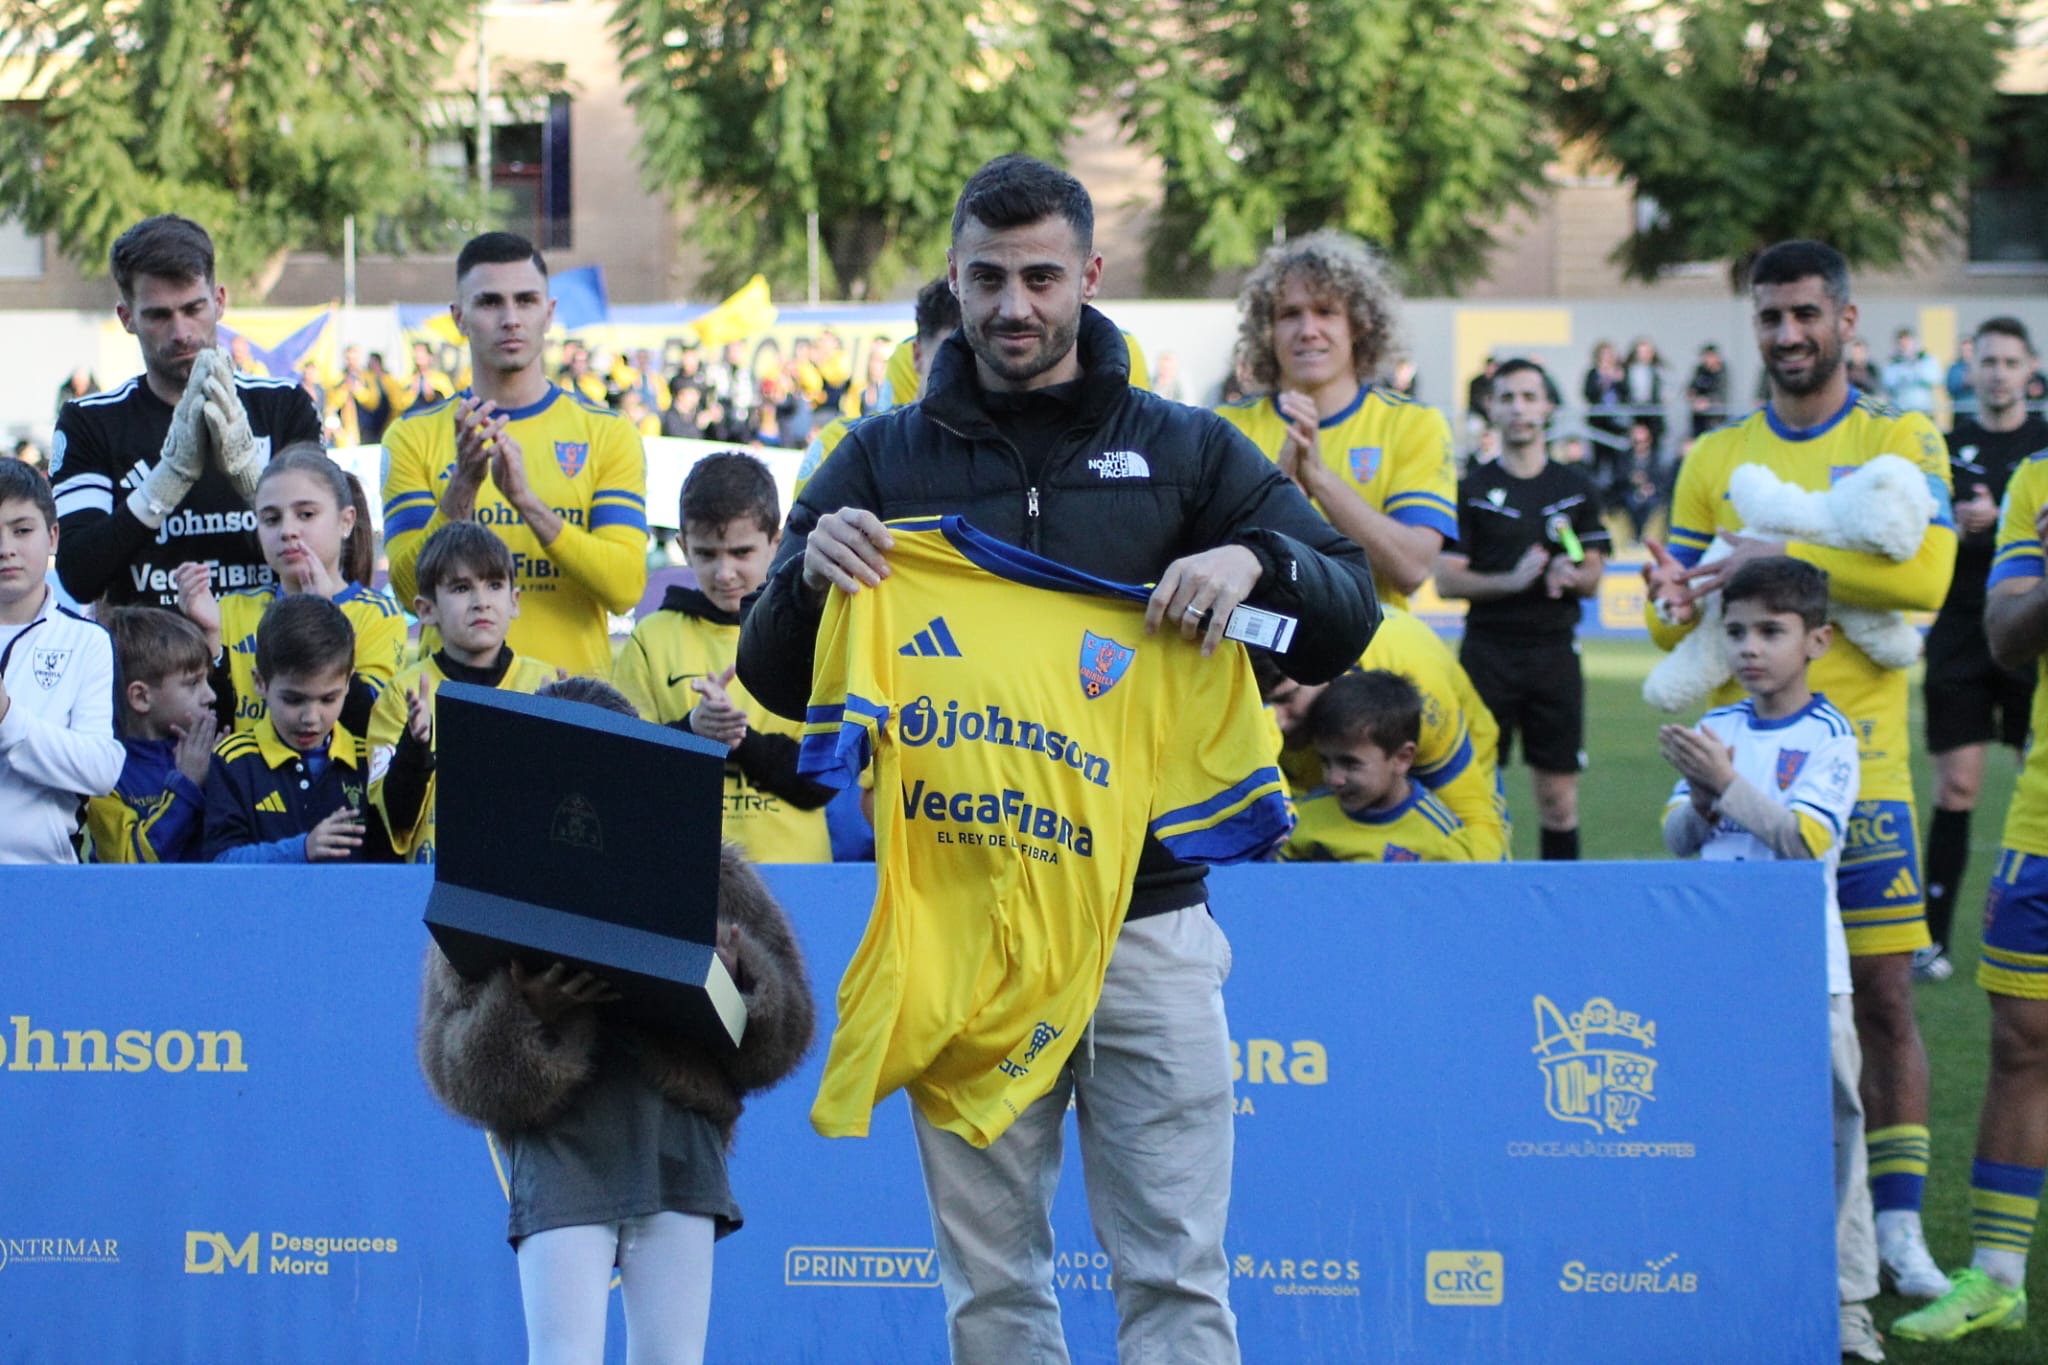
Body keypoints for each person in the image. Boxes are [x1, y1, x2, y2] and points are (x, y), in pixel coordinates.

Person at [737, 153, 1376, 1364]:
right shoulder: (880, 459)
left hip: (1147, 921)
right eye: (986, 278)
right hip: (963, 931)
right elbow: (771, 676)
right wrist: (810, 580)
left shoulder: (1186, 450)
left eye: (1039, 277)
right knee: (990, 1293)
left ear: (1089, 273)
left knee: (1176, 1278)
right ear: (953, 278)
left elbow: (1346, 614)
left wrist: (1253, 561)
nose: (1012, 306)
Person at [1643, 239, 1956, 1302]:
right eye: (1770, 317)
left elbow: (1926, 577)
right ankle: (1747, 1222)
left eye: (1805, 314)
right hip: (1740, 778)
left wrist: (1771, 563)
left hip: (1864, 773)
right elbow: (1678, 617)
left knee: (1883, 1001)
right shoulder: (1715, 454)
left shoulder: (1899, 436)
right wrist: (1671, 600)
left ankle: (1896, 1233)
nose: (1787, 334)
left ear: (1845, 320)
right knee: (1741, 1012)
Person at [415, 721, 815, 1365]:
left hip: (677, 1142)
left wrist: (735, 979)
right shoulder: (492, 874)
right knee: (563, 1356)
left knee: (672, 1358)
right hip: (561, 1145)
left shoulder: (708, 867)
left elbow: (787, 1033)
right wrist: (523, 1011)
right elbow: (450, 1063)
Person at [1656, 556, 1879, 1361]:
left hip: (1808, 971)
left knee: (1833, 1130)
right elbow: (1678, 838)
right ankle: (1727, 1282)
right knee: (1722, 1127)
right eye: (1737, 631)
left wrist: (1725, 784)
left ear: (1817, 640)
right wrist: (1701, 796)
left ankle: (1848, 1301)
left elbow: (1805, 840)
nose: (1750, 647)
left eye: (1771, 631)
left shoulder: (1830, 736)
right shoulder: (1722, 725)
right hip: (1720, 970)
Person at [1891, 414, 2048, 1343]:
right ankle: (1996, 1276)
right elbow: (2006, 636)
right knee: (2022, 1041)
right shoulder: (2037, 477)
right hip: (2043, 817)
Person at [381, 232, 650, 679]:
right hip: (461, 705)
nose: (510, 319)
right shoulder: (412, 437)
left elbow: (625, 589)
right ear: (459, 318)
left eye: (526, 301)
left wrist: (527, 503)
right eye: (490, 302)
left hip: (570, 702)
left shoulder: (608, 433)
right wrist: (462, 488)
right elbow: (412, 594)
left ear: (549, 313)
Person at [51, 214, 324, 610]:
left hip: (270, 645)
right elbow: (79, 576)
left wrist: (253, 480)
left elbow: (336, 551)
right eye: (159, 315)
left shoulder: (284, 405)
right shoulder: (90, 421)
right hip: (151, 648)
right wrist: (166, 481)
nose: (181, 332)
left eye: (193, 308)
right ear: (127, 318)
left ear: (220, 301)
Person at [1216, 229, 1457, 612]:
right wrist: (1280, 496)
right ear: (1267, 330)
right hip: (1251, 646)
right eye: (1290, 314)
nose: (1308, 331)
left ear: (1359, 324)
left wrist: (1320, 480)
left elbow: (1412, 569)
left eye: (1326, 312)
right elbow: (1204, 557)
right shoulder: (1225, 428)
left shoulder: (1413, 423)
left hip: (1374, 647)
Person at [613, 452, 834, 863]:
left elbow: (821, 783)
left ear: (776, 542)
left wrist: (741, 741)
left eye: (741, 552)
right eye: (707, 554)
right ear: (683, 547)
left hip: (796, 873)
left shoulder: (813, 633)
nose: (724, 572)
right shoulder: (651, 638)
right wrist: (693, 730)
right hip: (681, 866)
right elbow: (625, 772)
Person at [1435, 358, 1609, 860]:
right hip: (1487, 652)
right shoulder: (1471, 489)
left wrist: (1570, 575)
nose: (1519, 408)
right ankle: (1480, 894)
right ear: (1490, 407)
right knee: (1473, 794)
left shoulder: (1575, 487)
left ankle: (1563, 897)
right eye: (1507, 398)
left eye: (1530, 397)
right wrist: (1511, 581)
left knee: (1558, 799)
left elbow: (1592, 575)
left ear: (1548, 407)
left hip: (1554, 653)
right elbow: (1446, 580)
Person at [1921, 317, 2048, 982]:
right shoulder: (1946, 449)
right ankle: (1933, 941)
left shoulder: (2043, 452)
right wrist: (1954, 523)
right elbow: (1916, 532)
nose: (1999, 373)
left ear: (2031, 371)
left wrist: (2001, 520)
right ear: (1969, 372)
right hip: (1962, 628)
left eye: (2010, 361)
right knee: (1958, 784)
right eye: (1988, 362)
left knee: (2037, 770)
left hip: (2035, 623)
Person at [177, 445, 404, 738]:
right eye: (271, 519)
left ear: (346, 521)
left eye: (306, 514)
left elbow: (369, 726)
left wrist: (322, 620)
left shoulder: (377, 615)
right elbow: (214, 726)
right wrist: (209, 637)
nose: (287, 530)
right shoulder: (230, 610)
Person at [368, 521, 557, 865]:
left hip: (525, 880)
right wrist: (415, 748)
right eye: (460, 588)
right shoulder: (402, 695)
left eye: (494, 585)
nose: (481, 602)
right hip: (431, 883)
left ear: (514, 601)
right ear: (426, 610)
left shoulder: (547, 685)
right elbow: (387, 826)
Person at [1260, 607, 1507, 862]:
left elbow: (1476, 824)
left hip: (1440, 739)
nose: (1277, 722)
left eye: (1287, 698)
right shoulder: (1263, 699)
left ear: (1321, 669)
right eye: (1259, 704)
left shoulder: (1423, 694)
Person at [201, 593, 387, 863]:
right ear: (260, 682)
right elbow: (220, 862)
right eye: (293, 700)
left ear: (348, 683)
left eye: (328, 699)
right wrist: (302, 850)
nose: (311, 718)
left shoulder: (368, 759)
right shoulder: (233, 760)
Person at [0, 460, 122, 863]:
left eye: (21, 530)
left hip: (45, 876)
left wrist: (8, 719)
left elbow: (101, 769)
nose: (6, 549)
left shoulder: (86, 642)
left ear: (53, 536)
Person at [796, 276, 960, 499]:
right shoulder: (837, 446)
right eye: (951, 356)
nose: (965, 372)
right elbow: (803, 522)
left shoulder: (1000, 462)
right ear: (917, 355)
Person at [1282, 670, 1470, 863]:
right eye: (1325, 761)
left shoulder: (1440, 839)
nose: (1333, 779)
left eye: (1350, 763)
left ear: (1402, 758)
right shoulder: (1301, 817)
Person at [85, 606, 218, 863]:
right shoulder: (105, 775)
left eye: (207, 680)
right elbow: (131, 862)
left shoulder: (207, 755)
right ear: (141, 697)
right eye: (193, 683)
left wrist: (222, 777)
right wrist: (187, 784)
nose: (210, 695)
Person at [1881, 329, 1942, 417]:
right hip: (1902, 411)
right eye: (1902, 344)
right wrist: (1903, 372)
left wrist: (1916, 367)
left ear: (1914, 342)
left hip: (1924, 410)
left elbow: (1935, 379)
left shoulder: (1926, 359)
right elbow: (1888, 383)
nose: (1905, 346)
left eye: (1907, 342)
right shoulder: (1892, 362)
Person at [1687, 343, 1730, 439]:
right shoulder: (1700, 370)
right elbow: (1692, 387)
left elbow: (1722, 393)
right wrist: (1693, 396)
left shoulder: (1723, 372)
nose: (1707, 359)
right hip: (1699, 418)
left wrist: (1707, 401)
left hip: (1716, 418)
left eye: (1709, 356)